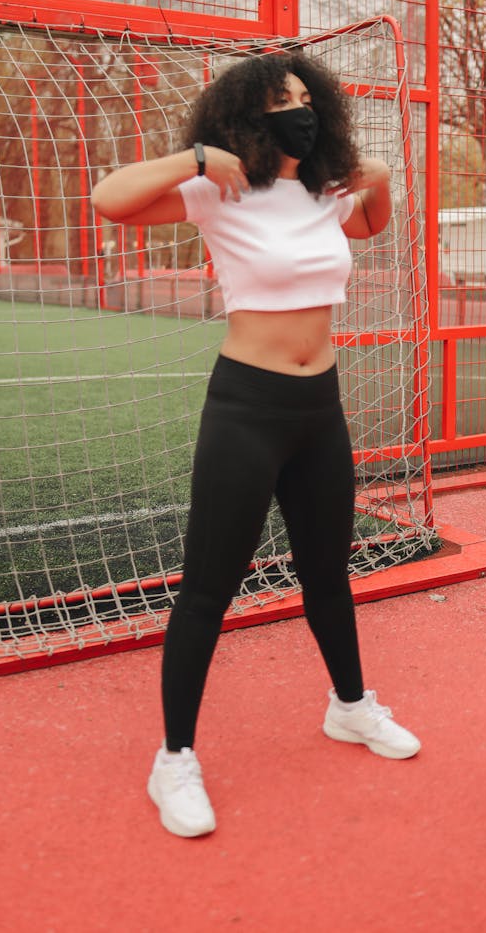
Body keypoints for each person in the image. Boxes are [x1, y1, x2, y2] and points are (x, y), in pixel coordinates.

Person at [91, 51, 421, 839]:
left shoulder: (322, 193)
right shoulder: (221, 189)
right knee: (209, 589)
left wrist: (373, 173)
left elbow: (374, 219)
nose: (300, 113)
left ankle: (350, 708)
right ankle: (173, 758)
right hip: (246, 406)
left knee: (327, 574)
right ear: (246, 116)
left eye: (310, 99)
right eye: (283, 102)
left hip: (321, 407)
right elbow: (110, 200)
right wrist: (197, 156)